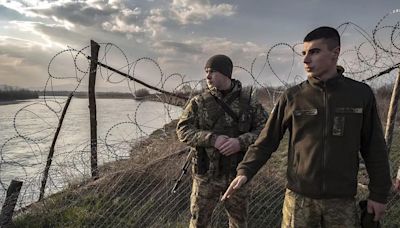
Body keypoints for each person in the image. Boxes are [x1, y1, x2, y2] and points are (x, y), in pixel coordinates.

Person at [221, 27, 392, 227]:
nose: (305, 60)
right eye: (304, 53)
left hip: (342, 202)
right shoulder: (293, 96)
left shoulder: (360, 95)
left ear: (335, 52)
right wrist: (245, 171)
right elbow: (266, 141)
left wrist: (379, 194)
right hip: (299, 200)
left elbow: (374, 148)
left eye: (314, 52)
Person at [176, 54, 268, 228]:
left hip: (237, 175)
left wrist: (240, 142)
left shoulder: (248, 101)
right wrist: (212, 139)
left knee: (238, 223)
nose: (207, 77)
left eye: (212, 72)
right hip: (206, 177)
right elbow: (182, 130)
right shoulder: (199, 102)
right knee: (198, 223)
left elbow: (265, 130)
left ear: (226, 73)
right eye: (206, 72)